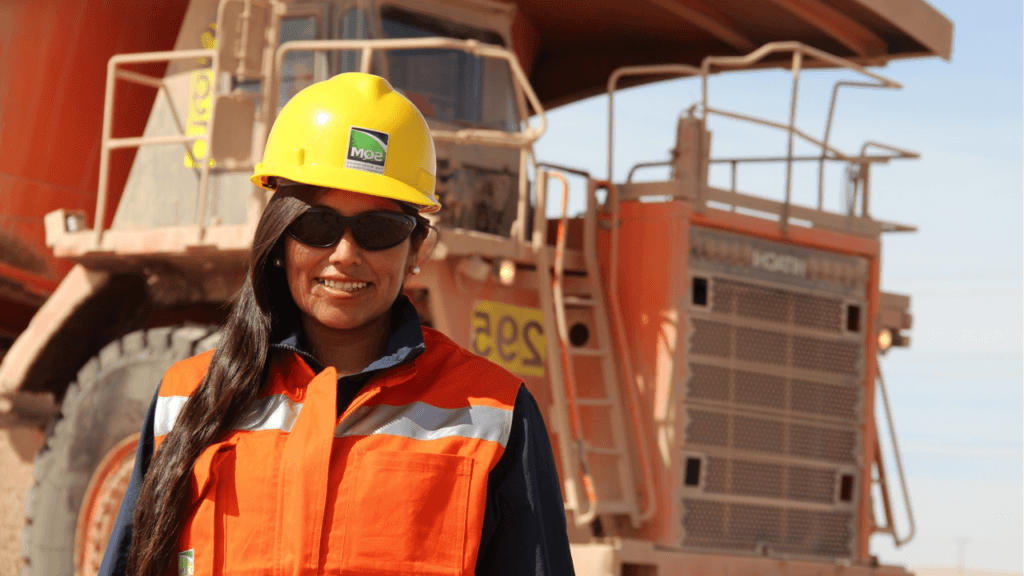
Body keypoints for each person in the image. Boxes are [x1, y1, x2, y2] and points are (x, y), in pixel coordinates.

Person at [98, 73, 576, 576]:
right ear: (279, 238)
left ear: (416, 250)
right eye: (317, 226)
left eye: (379, 229)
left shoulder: (495, 416)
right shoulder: (185, 400)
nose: (345, 255)